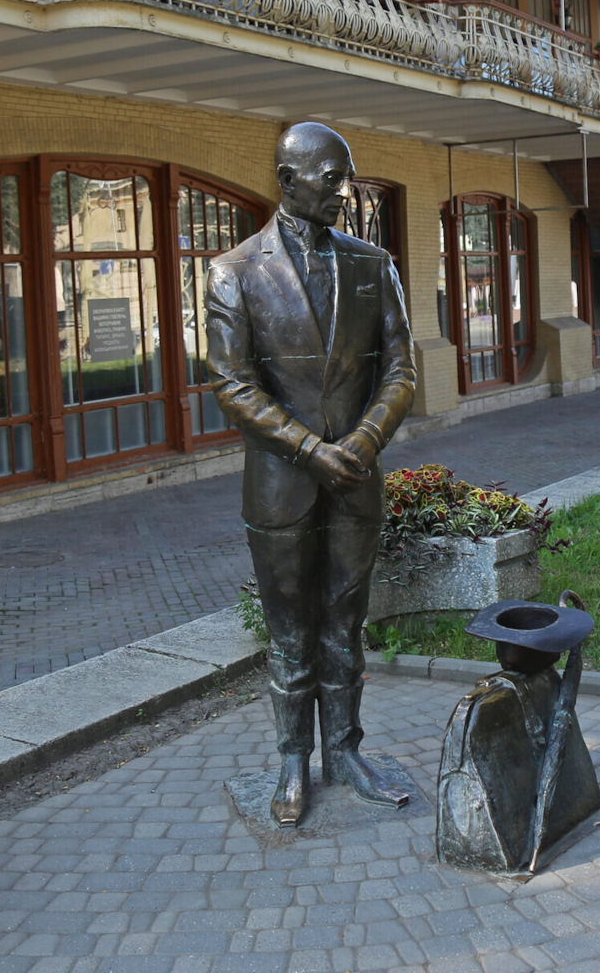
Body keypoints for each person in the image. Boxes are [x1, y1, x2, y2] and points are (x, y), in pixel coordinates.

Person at [205, 122, 418, 826]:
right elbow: (234, 387)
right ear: (288, 179)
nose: (345, 191)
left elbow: (400, 367)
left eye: (347, 176)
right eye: (332, 178)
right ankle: (294, 757)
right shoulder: (234, 272)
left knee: (345, 623)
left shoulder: (372, 264)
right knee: (290, 627)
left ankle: (347, 751)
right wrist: (308, 448)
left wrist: (363, 438)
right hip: (282, 483)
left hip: (357, 472)